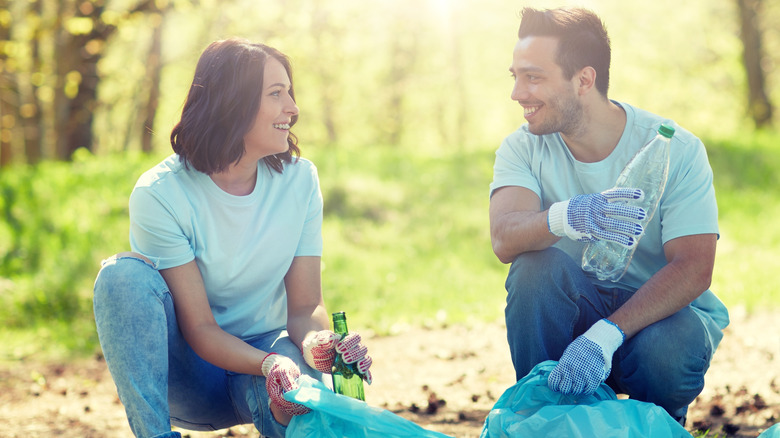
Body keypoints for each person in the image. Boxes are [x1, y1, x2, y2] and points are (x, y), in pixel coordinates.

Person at [93, 38, 372, 438]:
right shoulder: (161, 193)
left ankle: (283, 413)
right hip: (192, 379)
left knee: (299, 390)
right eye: (276, 94)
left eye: (289, 93)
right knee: (121, 277)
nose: (293, 108)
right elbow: (201, 328)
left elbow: (305, 305)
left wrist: (316, 344)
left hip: (270, 359)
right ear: (232, 104)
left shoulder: (300, 180)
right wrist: (266, 363)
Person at [489, 7, 729, 424]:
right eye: (515, 77)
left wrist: (604, 335)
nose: (517, 94)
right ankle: (545, 421)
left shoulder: (677, 149)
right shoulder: (523, 147)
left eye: (533, 77)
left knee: (672, 343)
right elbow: (504, 238)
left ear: (584, 79)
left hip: (655, 320)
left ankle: (655, 428)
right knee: (533, 271)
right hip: (572, 306)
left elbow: (694, 268)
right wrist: (567, 216)